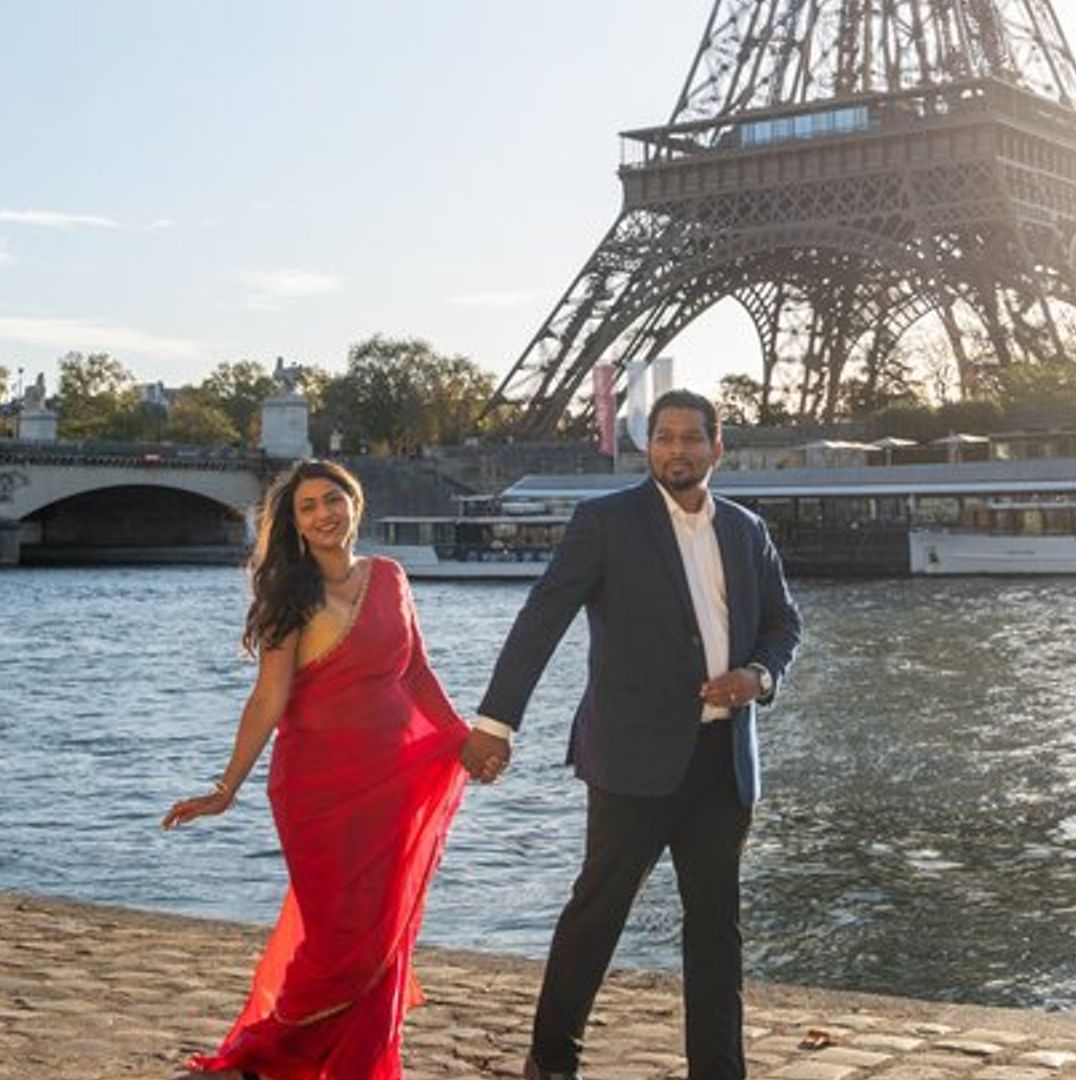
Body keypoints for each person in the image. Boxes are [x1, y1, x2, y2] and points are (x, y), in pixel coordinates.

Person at [462, 389, 803, 1080]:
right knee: (597, 915)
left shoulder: (746, 530)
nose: (677, 450)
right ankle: (551, 1060)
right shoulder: (606, 522)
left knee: (716, 926)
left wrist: (759, 676)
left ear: (717, 447)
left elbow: (783, 624)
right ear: (649, 447)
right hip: (629, 758)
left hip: (724, 760)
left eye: (691, 438)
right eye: (664, 437)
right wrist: (495, 723)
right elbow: (542, 619)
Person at [162, 459, 469, 1080]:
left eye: (333, 499)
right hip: (316, 790)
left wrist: (463, 740)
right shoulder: (290, 598)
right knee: (337, 938)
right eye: (308, 507)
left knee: (380, 931)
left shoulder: (389, 575)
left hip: (390, 782)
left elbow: (415, 672)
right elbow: (268, 699)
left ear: (355, 502)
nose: (324, 514)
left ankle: (355, 1063)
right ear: (295, 525)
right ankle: (271, 1055)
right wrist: (227, 787)